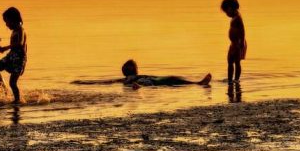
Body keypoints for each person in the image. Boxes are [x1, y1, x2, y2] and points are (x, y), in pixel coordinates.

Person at [72, 59, 211, 89]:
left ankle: (197, 83)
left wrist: (83, 82)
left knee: (171, 80)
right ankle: (197, 83)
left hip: (151, 81)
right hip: (152, 81)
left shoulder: (124, 79)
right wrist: (83, 82)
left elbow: (107, 82)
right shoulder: (128, 79)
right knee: (173, 79)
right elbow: (106, 82)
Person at [221, 0, 247, 85]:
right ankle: (230, 79)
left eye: (226, 11)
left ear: (231, 8)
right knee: (229, 61)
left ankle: (236, 80)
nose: (226, 14)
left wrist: (241, 43)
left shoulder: (238, 18)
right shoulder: (234, 18)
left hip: (238, 43)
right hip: (233, 43)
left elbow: (243, 30)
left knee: (236, 62)